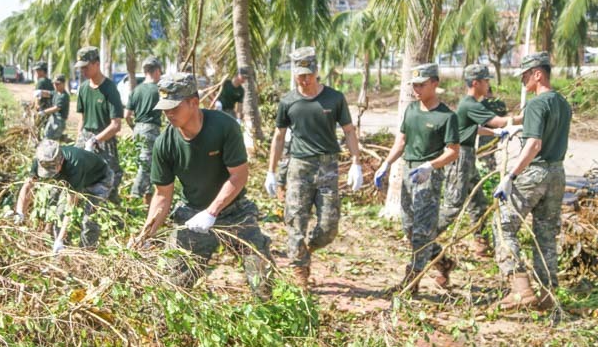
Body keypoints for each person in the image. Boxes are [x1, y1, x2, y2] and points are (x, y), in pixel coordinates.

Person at [133, 73, 272, 299]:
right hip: (193, 214)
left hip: (234, 211)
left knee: (262, 280)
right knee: (172, 287)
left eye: (174, 107)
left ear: (194, 103)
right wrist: (145, 235)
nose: (168, 114)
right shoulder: (164, 143)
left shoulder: (224, 127)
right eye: (165, 108)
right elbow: (162, 196)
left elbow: (239, 175)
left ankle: (270, 317)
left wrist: (212, 211)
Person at [264, 47, 363, 289]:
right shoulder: (288, 101)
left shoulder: (334, 98)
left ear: (316, 71)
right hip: (299, 166)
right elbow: (279, 137)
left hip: (327, 166)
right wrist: (272, 171)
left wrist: (356, 162)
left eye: (308, 74)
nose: (304, 79)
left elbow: (349, 131)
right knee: (295, 221)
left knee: (329, 226)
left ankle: (307, 249)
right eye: (300, 74)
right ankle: (300, 274)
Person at [491, 52, 571, 310]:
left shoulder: (537, 103)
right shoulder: (562, 102)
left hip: (535, 173)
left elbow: (535, 144)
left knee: (502, 224)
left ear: (538, 74)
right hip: (557, 174)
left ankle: (520, 287)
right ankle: (548, 293)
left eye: (525, 75)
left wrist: (511, 175)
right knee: (546, 234)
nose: (523, 80)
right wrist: (516, 128)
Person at [374, 63, 460, 295]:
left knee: (422, 232)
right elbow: (401, 141)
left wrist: (430, 166)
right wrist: (386, 163)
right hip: (408, 172)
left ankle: (411, 282)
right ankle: (442, 261)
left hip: (428, 176)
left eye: (422, 85)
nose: (417, 90)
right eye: (414, 85)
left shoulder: (446, 116)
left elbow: (453, 151)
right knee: (409, 226)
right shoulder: (411, 110)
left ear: (435, 83)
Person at [432, 64, 522, 260]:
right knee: (453, 205)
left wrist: (494, 133)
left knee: (478, 203)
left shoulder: (470, 104)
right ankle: (425, 237)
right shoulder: (470, 104)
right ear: (476, 83)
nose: (488, 85)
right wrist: (525, 118)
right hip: (460, 157)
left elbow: (471, 129)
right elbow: (498, 121)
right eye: (486, 81)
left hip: (468, 155)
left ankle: (481, 244)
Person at [13, 139, 114, 252]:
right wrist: (20, 212)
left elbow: (71, 208)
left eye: (52, 169)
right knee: (58, 215)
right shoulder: (41, 160)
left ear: (61, 161)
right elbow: (27, 186)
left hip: (99, 180)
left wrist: (59, 240)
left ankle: (86, 253)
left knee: (88, 220)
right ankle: (62, 252)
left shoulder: (74, 165)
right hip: (76, 177)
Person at [74, 46, 124, 204]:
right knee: (78, 178)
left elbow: (116, 125)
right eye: (81, 68)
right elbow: (81, 119)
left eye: (86, 67)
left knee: (110, 179)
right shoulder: (83, 89)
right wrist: (79, 142)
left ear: (96, 64)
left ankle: (111, 214)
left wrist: (97, 140)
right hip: (86, 137)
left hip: (105, 140)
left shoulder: (110, 89)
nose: (83, 71)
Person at [125, 56, 162, 204]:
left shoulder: (136, 90)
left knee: (147, 164)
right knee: (146, 165)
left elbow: (126, 115)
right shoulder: (158, 90)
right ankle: (134, 197)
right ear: (157, 71)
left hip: (138, 129)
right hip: (151, 129)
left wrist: (134, 128)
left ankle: (148, 200)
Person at [37, 74, 70, 140]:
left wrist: (44, 112)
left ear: (63, 84)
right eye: (54, 84)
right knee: (46, 134)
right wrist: (40, 92)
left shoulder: (63, 96)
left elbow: (56, 108)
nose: (55, 86)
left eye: (58, 84)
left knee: (50, 139)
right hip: (53, 118)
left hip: (59, 121)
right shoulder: (56, 92)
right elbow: (49, 93)